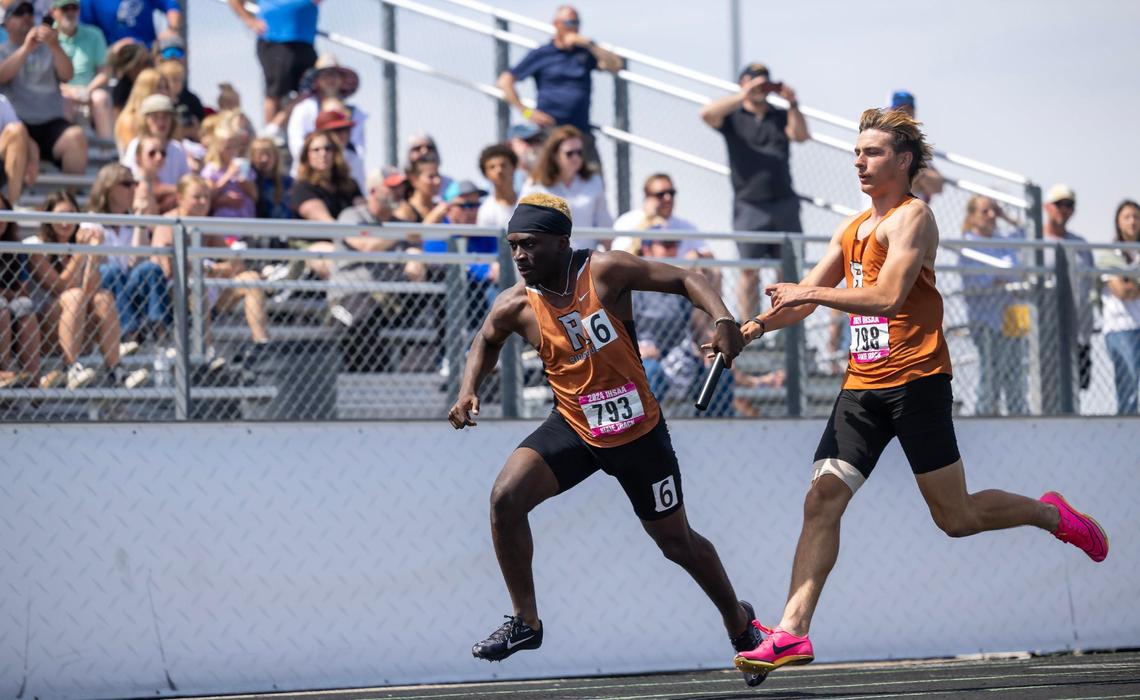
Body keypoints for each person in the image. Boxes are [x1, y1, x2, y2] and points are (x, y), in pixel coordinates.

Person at [729, 108, 1109, 680]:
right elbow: (806, 302)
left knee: (955, 518)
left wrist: (810, 289)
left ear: (903, 161)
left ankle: (1048, 513)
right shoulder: (852, 228)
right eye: (856, 153)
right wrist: (752, 328)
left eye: (872, 152)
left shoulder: (914, 218)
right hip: (861, 387)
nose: (860, 161)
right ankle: (791, 632)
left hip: (917, 384)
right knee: (821, 499)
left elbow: (885, 296)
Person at [446, 192, 768, 689]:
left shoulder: (605, 272)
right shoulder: (516, 303)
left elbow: (688, 278)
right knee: (505, 499)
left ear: (561, 242)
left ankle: (740, 623)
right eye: (513, 246)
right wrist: (469, 389)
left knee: (676, 543)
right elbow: (485, 339)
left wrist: (725, 321)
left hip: (639, 434)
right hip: (574, 426)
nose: (519, 256)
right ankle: (526, 622)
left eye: (530, 244)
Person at [699, 61, 808, 318]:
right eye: (755, 81)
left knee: (789, 272)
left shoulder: (779, 115)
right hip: (749, 204)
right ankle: (749, 329)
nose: (761, 87)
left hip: (784, 203)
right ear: (743, 83)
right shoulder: (733, 116)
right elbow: (706, 114)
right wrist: (745, 95)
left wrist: (793, 103)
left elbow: (801, 135)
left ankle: (787, 332)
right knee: (749, 272)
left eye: (765, 82)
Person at [24, 190, 148, 389]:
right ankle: (71, 367)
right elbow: (58, 286)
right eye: (60, 216)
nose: (66, 223)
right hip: (45, 330)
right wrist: (81, 253)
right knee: (74, 296)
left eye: (71, 216)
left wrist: (94, 253)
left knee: (104, 298)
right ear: (47, 217)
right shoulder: (35, 246)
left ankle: (116, 370)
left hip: (79, 328)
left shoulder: (79, 245)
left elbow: (91, 289)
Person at [151, 174, 269, 345]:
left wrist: (211, 270)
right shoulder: (168, 223)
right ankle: (206, 352)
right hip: (177, 294)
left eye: (206, 197)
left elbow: (236, 265)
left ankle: (261, 343)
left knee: (252, 279)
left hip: (209, 284)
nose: (203, 202)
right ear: (180, 198)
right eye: (196, 197)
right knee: (200, 287)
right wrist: (205, 270)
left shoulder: (206, 224)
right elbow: (170, 268)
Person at [497, 4, 620, 166]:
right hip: (550, 133)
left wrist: (589, 44)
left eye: (577, 23)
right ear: (556, 24)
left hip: (580, 132)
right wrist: (527, 112)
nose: (574, 28)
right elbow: (505, 81)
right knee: (548, 184)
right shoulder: (542, 54)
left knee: (594, 183)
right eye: (569, 23)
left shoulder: (584, 52)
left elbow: (615, 65)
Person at [0, 0, 89, 174]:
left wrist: (54, 45)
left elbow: (67, 75)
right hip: (19, 124)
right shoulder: (2, 51)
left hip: (51, 123)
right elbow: (2, 76)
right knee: (17, 138)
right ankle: (13, 199)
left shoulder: (50, 49)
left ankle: (69, 198)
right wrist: (26, 48)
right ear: (7, 24)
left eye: (30, 13)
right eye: (19, 13)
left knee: (76, 137)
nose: (26, 17)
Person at [959, 195, 1028, 415]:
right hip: (986, 323)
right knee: (990, 379)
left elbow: (1028, 233)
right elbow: (977, 282)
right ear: (972, 216)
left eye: (994, 211)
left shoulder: (1001, 240)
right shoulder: (967, 244)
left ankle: (1020, 424)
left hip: (1011, 323)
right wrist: (1002, 276)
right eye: (985, 211)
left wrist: (1006, 216)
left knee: (1016, 378)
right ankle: (984, 417)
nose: (991, 216)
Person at [89, 163, 168, 341]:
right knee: (110, 271)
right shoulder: (90, 223)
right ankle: (129, 334)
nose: (133, 189)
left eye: (135, 183)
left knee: (150, 268)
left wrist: (139, 219)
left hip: (129, 289)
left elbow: (138, 263)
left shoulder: (132, 224)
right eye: (127, 184)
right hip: (105, 292)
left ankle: (159, 331)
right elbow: (95, 268)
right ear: (108, 188)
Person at [520, 124, 611, 251]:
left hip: (585, 262)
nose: (576, 158)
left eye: (579, 152)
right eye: (570, 153)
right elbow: (523, 227)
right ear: (554, 155)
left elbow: (604, 226)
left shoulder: (594, 181)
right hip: (548, 261)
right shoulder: (534, 185)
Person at [227, 0, 317, 128]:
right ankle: (271, 135)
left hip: (305, 42)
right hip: (275, 40)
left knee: (311, 89)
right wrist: (250, 21)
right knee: (276, 91)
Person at [1042, 184, 1095, 399]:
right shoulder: (1035, 242)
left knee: (1075, 392)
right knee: (1046, 391)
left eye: (1069, 204)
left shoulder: (1081, 245)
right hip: (1045, 333)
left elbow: (1090, 285)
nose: (1064, 209)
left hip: (1078, 333)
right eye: (1059, 204)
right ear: (1046, 207)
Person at [286, 53, 363, 177]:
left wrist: (337, 163)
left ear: (342, 80)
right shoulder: (303, 108)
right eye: (325, 75)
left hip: (346, 174)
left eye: (334, 75)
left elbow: (359, 148)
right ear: (316, 80)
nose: (330, 79)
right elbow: (296, 144)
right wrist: (319, 160)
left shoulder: (356, 113)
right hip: (309, 175)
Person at [1097, 200, 1140, 415]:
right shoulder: (1109, 254)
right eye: (1127, 217)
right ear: (1118, 222)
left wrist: (1132, 282)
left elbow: (1130, 288)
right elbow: (1122, 291)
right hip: (1122, 328)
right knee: (1129, 386)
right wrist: (1130, 286)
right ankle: (1129, 431)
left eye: (1136, 216)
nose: (1133, 221)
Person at [53, 0, 113, 139]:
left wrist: (86, 91)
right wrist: (69, 91)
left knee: (101, 98)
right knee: (65, 100)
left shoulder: (94, 34)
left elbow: (104, 72)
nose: (70, 12)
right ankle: (64, 148)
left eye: (73, 8)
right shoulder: (47, 38)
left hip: (88, 93)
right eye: (65, 8)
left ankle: (107, 149)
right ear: (54, 12)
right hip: (61, 94)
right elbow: (44, 77)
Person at [612, 173, 709, 258]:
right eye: (660, 194)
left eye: (671, 193)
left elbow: (707, 254)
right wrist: (649, 220)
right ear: (647, 196)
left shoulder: (687, 226)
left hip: (680, 274)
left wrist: (695, 257)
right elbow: (620, 256)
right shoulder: (628, 221)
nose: (668, 198)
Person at [119, 92, 186, 211]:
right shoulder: (135, 145)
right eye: (155, 116)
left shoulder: (178, 149)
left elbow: (186, 185)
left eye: (165, 116)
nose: (161, 122)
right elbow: (132, 183)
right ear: (145, 120)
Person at [0, 192, 41, 387]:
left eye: (3, 211)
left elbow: (23, 289)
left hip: (12, 305)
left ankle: (34, 381)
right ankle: (3, 371)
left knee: (25, 306)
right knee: (2, 308)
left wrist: (7, 294)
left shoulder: (17, 248)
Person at [888, 90, 943, 204]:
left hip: (910, 214)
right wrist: (919, 175)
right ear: (889, 112)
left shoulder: (917, 145)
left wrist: (915, 173)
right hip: (882, 214)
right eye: (898, 110)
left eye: (907, 110)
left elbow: (938, 186)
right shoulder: (879, 139)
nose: (903, 115)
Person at [200, 124, 255, 219]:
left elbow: (255, 196)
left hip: (246, 218)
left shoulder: (243, 165)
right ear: (218, 148)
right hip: (224, 220)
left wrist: (244, 183)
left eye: (235, 147)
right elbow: (209, 194)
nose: (232, 151)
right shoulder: (211, 169)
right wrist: (228, 174)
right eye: (228, 147)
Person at [79, 0, 181, 46]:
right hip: (111, 57)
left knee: (172, 49)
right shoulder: (90, 1)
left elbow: (171, 4)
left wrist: (173, 29)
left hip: (146, 52)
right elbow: (87, 29)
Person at [113, 66, 167, 152]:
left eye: (165, 87)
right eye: (159, 87)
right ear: (146, 90)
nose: (164, 92)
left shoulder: (167, 119)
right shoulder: (129, 120)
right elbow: (133, 154)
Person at [314, 107, 363, 193]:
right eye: (336, 130)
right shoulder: (311, 156)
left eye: (345, 129)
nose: (342, 134)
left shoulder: (352, 158)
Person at [475, 142, 517, 230]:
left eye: (503, 165)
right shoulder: (486, 211)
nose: (499, 170)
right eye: (492, 167)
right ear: (486, 174)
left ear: (513, 168)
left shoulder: (529, 202)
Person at [250, 135, 293, 221]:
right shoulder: (251, 182)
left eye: (268, 154)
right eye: (259, 155)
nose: (264, 159)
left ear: (276, 157)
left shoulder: (288, 182)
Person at [0, 92, 32, 203]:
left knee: (17, 131)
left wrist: (33, 156)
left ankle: (12, 206)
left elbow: (20, 133)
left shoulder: (1, 102)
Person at [506, 121, 545, 190]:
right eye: (527, 140)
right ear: (510, 145)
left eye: (537, 140)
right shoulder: (503, 176)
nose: (532, 145)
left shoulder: (552, 173)